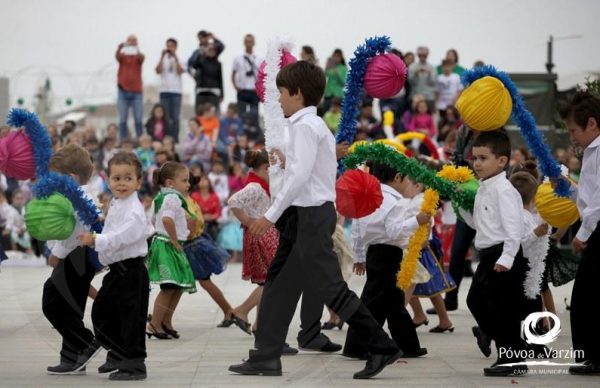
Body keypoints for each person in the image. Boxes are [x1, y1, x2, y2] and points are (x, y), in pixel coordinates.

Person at [228, 61, 401, 379]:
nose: (278, 98)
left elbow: (298, 178)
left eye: (281, 91)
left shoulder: (306, 127)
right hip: (302, 217)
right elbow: (303, 169)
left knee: (331, 288)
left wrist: (269, 215)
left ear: (296, 93)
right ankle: (266, 355)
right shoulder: (307, 126)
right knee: (279, 285)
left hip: (308, 216)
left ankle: (382, 346)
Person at [459, 130, 529, 376]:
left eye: (483, 158)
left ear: (501, 161)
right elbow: (479, 224)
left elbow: (514, 228)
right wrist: (460, 206)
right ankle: (506, 344)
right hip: (488, 255)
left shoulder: (504, 190)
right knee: (475, 301)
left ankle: (511, 358)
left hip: (502, 255)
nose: (477, 163)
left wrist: (507, 257)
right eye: (475, 158)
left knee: (503, 309)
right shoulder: (482, 188)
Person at [344, 161, 430, 360]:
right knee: (374, 302)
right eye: (406, 178)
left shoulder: (367, 197)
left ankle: (408, 345)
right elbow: (393, 231)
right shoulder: (394, 202)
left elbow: (357, 229)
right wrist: (417, 221)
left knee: (394, 302)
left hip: (373, 252)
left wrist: (358, 256)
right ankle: (357, 346)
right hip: (389, 254)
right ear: (398, 177)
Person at [76, 152, 150, 380]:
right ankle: (117, 354)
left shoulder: (135, 210)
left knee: (131, 319)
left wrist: (97, 240)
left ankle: (134, 365)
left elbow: (124, 236)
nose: (121, 183)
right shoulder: (118, 203)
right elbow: (112, 231)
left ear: (138, 182)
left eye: (128, 178)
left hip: (132, 271)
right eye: (116, 178)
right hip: (117, 270)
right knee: (103, 311)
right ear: (108, 180)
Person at [41, 144, 98, 375]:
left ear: (71, 178)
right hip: (77, 256)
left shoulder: (77, 197)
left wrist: (57, 254)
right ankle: (72, 358)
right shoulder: (79, 194)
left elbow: (72, 232)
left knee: (52, 302)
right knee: (71, 306)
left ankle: (86, 342)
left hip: (75, 256)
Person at [558, 91, 600, 375]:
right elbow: (586, 197)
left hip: (597, 228)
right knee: (588, 296)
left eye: (574, 129)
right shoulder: (592, 151)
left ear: (592, 124)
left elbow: (598, 201)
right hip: (594, 225)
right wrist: (566, 186)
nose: (572, 136)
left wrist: (583, 233)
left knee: (587, 297)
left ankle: (592, 356)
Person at [227, 150, 278, 333]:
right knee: (272, 281)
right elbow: (233, 201)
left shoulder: (259, 185)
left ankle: (260, 325)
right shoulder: (255, 187)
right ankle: (242, 310)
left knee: (268, 280)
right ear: (265, 168)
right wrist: (249, 221)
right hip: (261, 235)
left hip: (263, 234)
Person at [146, 162, 197, 339]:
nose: (188, 184)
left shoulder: (162, 197)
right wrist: (174, 240)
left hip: (166, 243)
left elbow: (152, 219)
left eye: (188, 180)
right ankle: (155, 324)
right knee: (169, 287)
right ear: (170, 182)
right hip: (168, 245)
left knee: (177, 286)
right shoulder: (173, 197)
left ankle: (165, 322)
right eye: (184, 180)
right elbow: (167, 220)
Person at [188, 30, 225, 115]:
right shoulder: (199, 56)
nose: (202, 40)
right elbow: (193, 65)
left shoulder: (218, 63)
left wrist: (214, 38)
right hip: (201, 89)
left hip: (214, 91)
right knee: (200, 113)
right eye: (200, 38)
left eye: (204, 37)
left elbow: (220, 79)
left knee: (214, 114)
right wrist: (201, 54)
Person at [116, 35, 144, 140]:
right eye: (130, 41)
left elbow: (142, 58)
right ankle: (123, 138)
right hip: (123, 90)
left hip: (137, 91)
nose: (132, 42)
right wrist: (120, 48)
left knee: (138, 118)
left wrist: (136, 48)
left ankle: (140, 138)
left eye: (134, 41)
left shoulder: (138, 56)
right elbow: (117, 57)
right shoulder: (123, 55)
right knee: (123, 118)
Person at [156, 38, 184, 143]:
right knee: (166, 117)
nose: (169, 48)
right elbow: (157, 70)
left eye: (171, 46)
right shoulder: (163, 58)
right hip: (164, 91)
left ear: (176, 47)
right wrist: (161, 56)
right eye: (168, 46)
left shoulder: (180, 58)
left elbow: (180, 71)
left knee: (175, 117)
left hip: (176, 91)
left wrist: (175, 57)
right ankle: (166, 137)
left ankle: (175, 138)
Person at [232, 34, 261, 122]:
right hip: (242, 91)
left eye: (250, 42)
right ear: (244, 43)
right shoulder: (238, 58)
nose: (249, 44)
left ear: (254, 43)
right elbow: (233, 74)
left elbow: (262, 75)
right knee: (241, 116)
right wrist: (235, 86)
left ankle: (253, 134)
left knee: (254, 116)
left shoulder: (259, 58)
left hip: (254, 91)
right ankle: (242, 135)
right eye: (247, 41)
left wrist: (259, 89)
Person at [408, 46, 436, 113]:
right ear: (418, 55)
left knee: (428, 118)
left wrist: (429, 74)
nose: (422, 56)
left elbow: (433, 83)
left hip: (428, 98)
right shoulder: (412, 66)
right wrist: (415, 74)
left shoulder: (432, 67)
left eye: (424, 55)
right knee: (415, 118)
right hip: (415, 97)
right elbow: (410, 82)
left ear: (427, 55)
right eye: (420, 55)